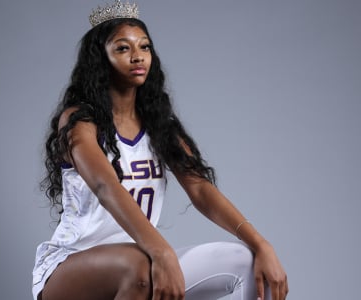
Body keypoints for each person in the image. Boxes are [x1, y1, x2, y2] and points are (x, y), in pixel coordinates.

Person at [32, 1, 288, 299]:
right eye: (123, 48)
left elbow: (201, 190)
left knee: (250, 264)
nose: (137, 56)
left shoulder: (158, 124)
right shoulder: (79, 121)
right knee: (140, 266)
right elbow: (104, 186)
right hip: (71, 268)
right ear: (100, 59)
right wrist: (162, 252)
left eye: (144, 47)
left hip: (145, 259)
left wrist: (260, 244)